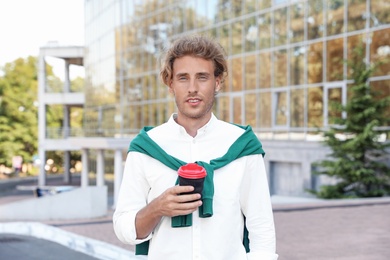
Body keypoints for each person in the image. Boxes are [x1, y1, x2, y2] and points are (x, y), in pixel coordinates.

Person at [113, 34, 278, 260]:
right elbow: (124, 229)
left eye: (202, 77)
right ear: (170, 84)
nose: (192, 88)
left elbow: (262, 227)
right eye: (183, 78)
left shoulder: (241, 145)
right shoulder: (146, 147)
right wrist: (157, 208)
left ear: (217, 82)